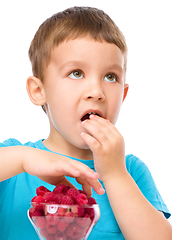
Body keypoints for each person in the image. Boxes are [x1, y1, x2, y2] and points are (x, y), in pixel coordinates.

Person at [0, 6, 171, 240]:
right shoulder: (12, 161)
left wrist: (114, 174)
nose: (96, 92)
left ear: (123, 95)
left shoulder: (130, 170)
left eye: (111, 77)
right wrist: (23, 158)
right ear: (39, 91)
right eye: (77, 73)